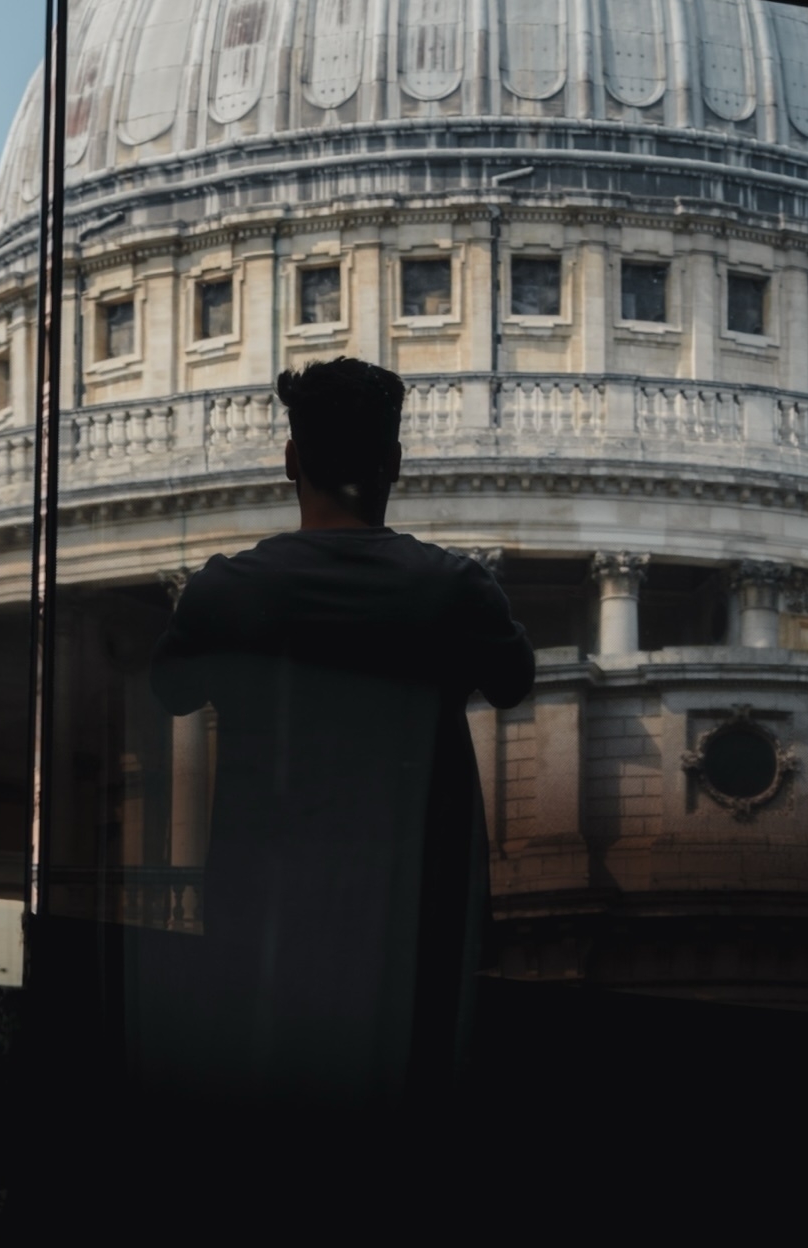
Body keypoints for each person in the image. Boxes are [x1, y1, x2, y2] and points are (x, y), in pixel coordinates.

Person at [149, 357, 533, 1107]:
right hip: (413, 914)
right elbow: (513, 682)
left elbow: (169, 690)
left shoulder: (228, 590)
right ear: (394, 462)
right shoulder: (452, 587)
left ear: (291, 461)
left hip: (266, 913)